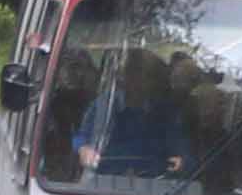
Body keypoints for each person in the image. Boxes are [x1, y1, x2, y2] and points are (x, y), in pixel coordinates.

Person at [73, 48, 192, 178]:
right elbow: (80, 136)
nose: (138, 80)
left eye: (147, 75)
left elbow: (180, 146)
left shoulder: (164, 112)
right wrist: (83, 149)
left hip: (154, 186)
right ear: (123, 76)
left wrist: (182, 160)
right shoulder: (104, 104)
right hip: (103, 184)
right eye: (133, 73)